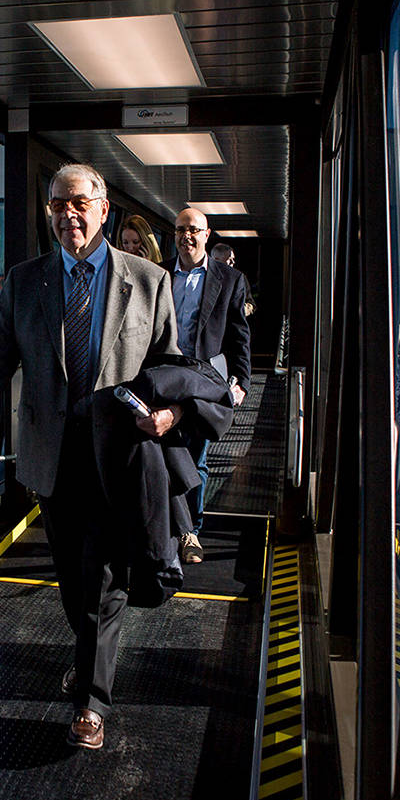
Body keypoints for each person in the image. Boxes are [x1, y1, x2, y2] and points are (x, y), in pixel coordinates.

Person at [0, 163, 179, 751]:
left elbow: (172, 367)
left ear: (103, 208)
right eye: (56, 206)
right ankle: (88, 654)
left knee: (103, 577)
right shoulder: (25, 283)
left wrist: (168, 415)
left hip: (118, 455)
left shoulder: (149, 281)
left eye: (77, 203)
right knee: (72, 577)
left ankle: (91, 702)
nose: (66, 215)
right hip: (52, 460)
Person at [160, 208, 252, 564]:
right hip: (163, 378)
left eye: (194, 230)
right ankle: (168, 527)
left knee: (195, 458)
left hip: (203, 381)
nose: (187, 236)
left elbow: (238, 334)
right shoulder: (160, 274)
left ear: (206, 234)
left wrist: (242, 381)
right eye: (181, 229)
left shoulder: (229, 279)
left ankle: (190, 532)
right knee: (164, 454)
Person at [211, 241, 256, 317]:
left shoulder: (239, 278)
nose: (233, 262)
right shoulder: (205, 277)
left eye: (233, 259)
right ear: (216, 260)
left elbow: (251, 304)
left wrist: (239, 310)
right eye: (229, 259)